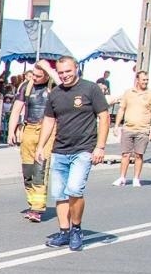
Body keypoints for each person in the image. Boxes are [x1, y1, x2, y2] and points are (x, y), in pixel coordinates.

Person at [36, 56, 110, 252]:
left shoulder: (90, 89)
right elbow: (49, 121)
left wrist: (100, 146)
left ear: (76, 68)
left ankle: (76, 229)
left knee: (75, 190)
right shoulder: (55, 94)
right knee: (59, 195)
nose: (64, 76)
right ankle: (64, 232)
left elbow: (103, 117)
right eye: (60, 73)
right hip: (60, 150)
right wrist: (41, 146)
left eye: (68, 71)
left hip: (83, 149)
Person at [7, 59, 56, 222]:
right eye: (33, 74)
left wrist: (48, 68)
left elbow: (63, 83)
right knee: (27, 170)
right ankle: (32, 202)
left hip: (46, 130)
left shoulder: (53, 86)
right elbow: (16, 110)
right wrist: (11, 131)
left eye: (39, 76)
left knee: (40, 169)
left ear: (47, 76)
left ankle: (37, 208)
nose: (34, 78)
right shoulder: (25, 86)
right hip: (28, 128)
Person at [112, 68, 151, 187]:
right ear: (137, 80)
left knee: (139, 155)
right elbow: (122, 109)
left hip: (143, 129)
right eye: (143, 80)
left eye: (147, 80)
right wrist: (116, 125)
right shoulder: (128, 92)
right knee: (125, 154)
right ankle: (122, 177)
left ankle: (136, 178)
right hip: (128, 128)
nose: (145, 82)